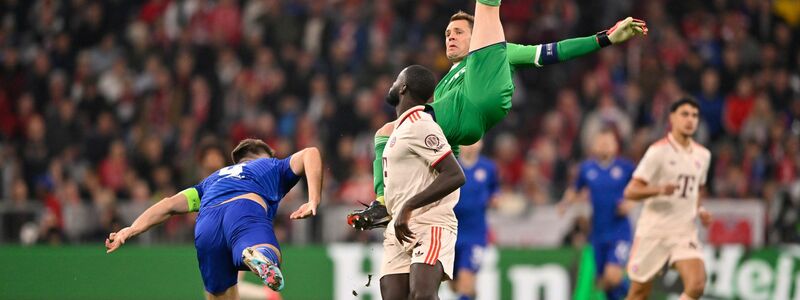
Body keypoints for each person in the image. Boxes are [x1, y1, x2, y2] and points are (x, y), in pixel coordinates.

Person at [349, 7, 648, 230]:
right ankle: (383, 203)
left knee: (487, 9)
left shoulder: (499, 52)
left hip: (486, 93)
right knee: (384, 133)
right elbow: (441, 142)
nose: (450, 37)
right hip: (467, 122)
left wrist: (605, 38)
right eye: (447, 34)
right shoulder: (444, 84)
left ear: (475, 35)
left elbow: (554, 52)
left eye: (458, 32)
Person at [105, 139, 323, 299]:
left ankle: (250, 256)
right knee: (270, 256)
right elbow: (310, 153)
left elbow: (168, 204)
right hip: (244, 209)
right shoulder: (270, 166)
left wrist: (131, 229)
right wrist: (313, 199)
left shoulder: (210, 181)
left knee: (219, 296)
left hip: (207, 221)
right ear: (262, 155)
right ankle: (258, 254)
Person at [379, 64, 466, 300]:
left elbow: (455, 174)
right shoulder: (401, 128)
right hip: (399, 227)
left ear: (403, 87)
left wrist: (408, 206)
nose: (392, 84)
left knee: (422, 297)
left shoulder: (421, 123)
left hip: (430, 223)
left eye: (396, 80)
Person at [623, 98, 713, 300]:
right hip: (654, 231)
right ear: (672, 118)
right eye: (685, 114)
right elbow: (630, 191)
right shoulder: (658, 152)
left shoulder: (703, 155)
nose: (690, 120)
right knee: (638, 294)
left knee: (697, 284)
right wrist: (659, 189)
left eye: (694, 115)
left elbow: (696, 190)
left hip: (683, 232)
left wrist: (700, 210)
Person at [558, 129, 635, 300]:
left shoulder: (626, 167)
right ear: (593, 146)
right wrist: (565, 203)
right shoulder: (587, 169)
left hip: (619, 231)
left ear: (616, 146)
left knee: (612, 276)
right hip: (598, 234)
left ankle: (637, 295)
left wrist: (631, 203)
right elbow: (575, 189)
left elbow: (641, 187)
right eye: (601, 142)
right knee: (604, 283)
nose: (604, 145)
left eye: (608, 142)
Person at [450, 140, 498, 300]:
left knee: (466, 279)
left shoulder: (488, 168)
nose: (472, 144)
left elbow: (494, 190)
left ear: (482, 144)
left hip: (475, 234)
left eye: (476, 140)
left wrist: (495, 200)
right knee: (454, 285)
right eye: (468, 141)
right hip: (451, 232)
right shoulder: (450, 165)